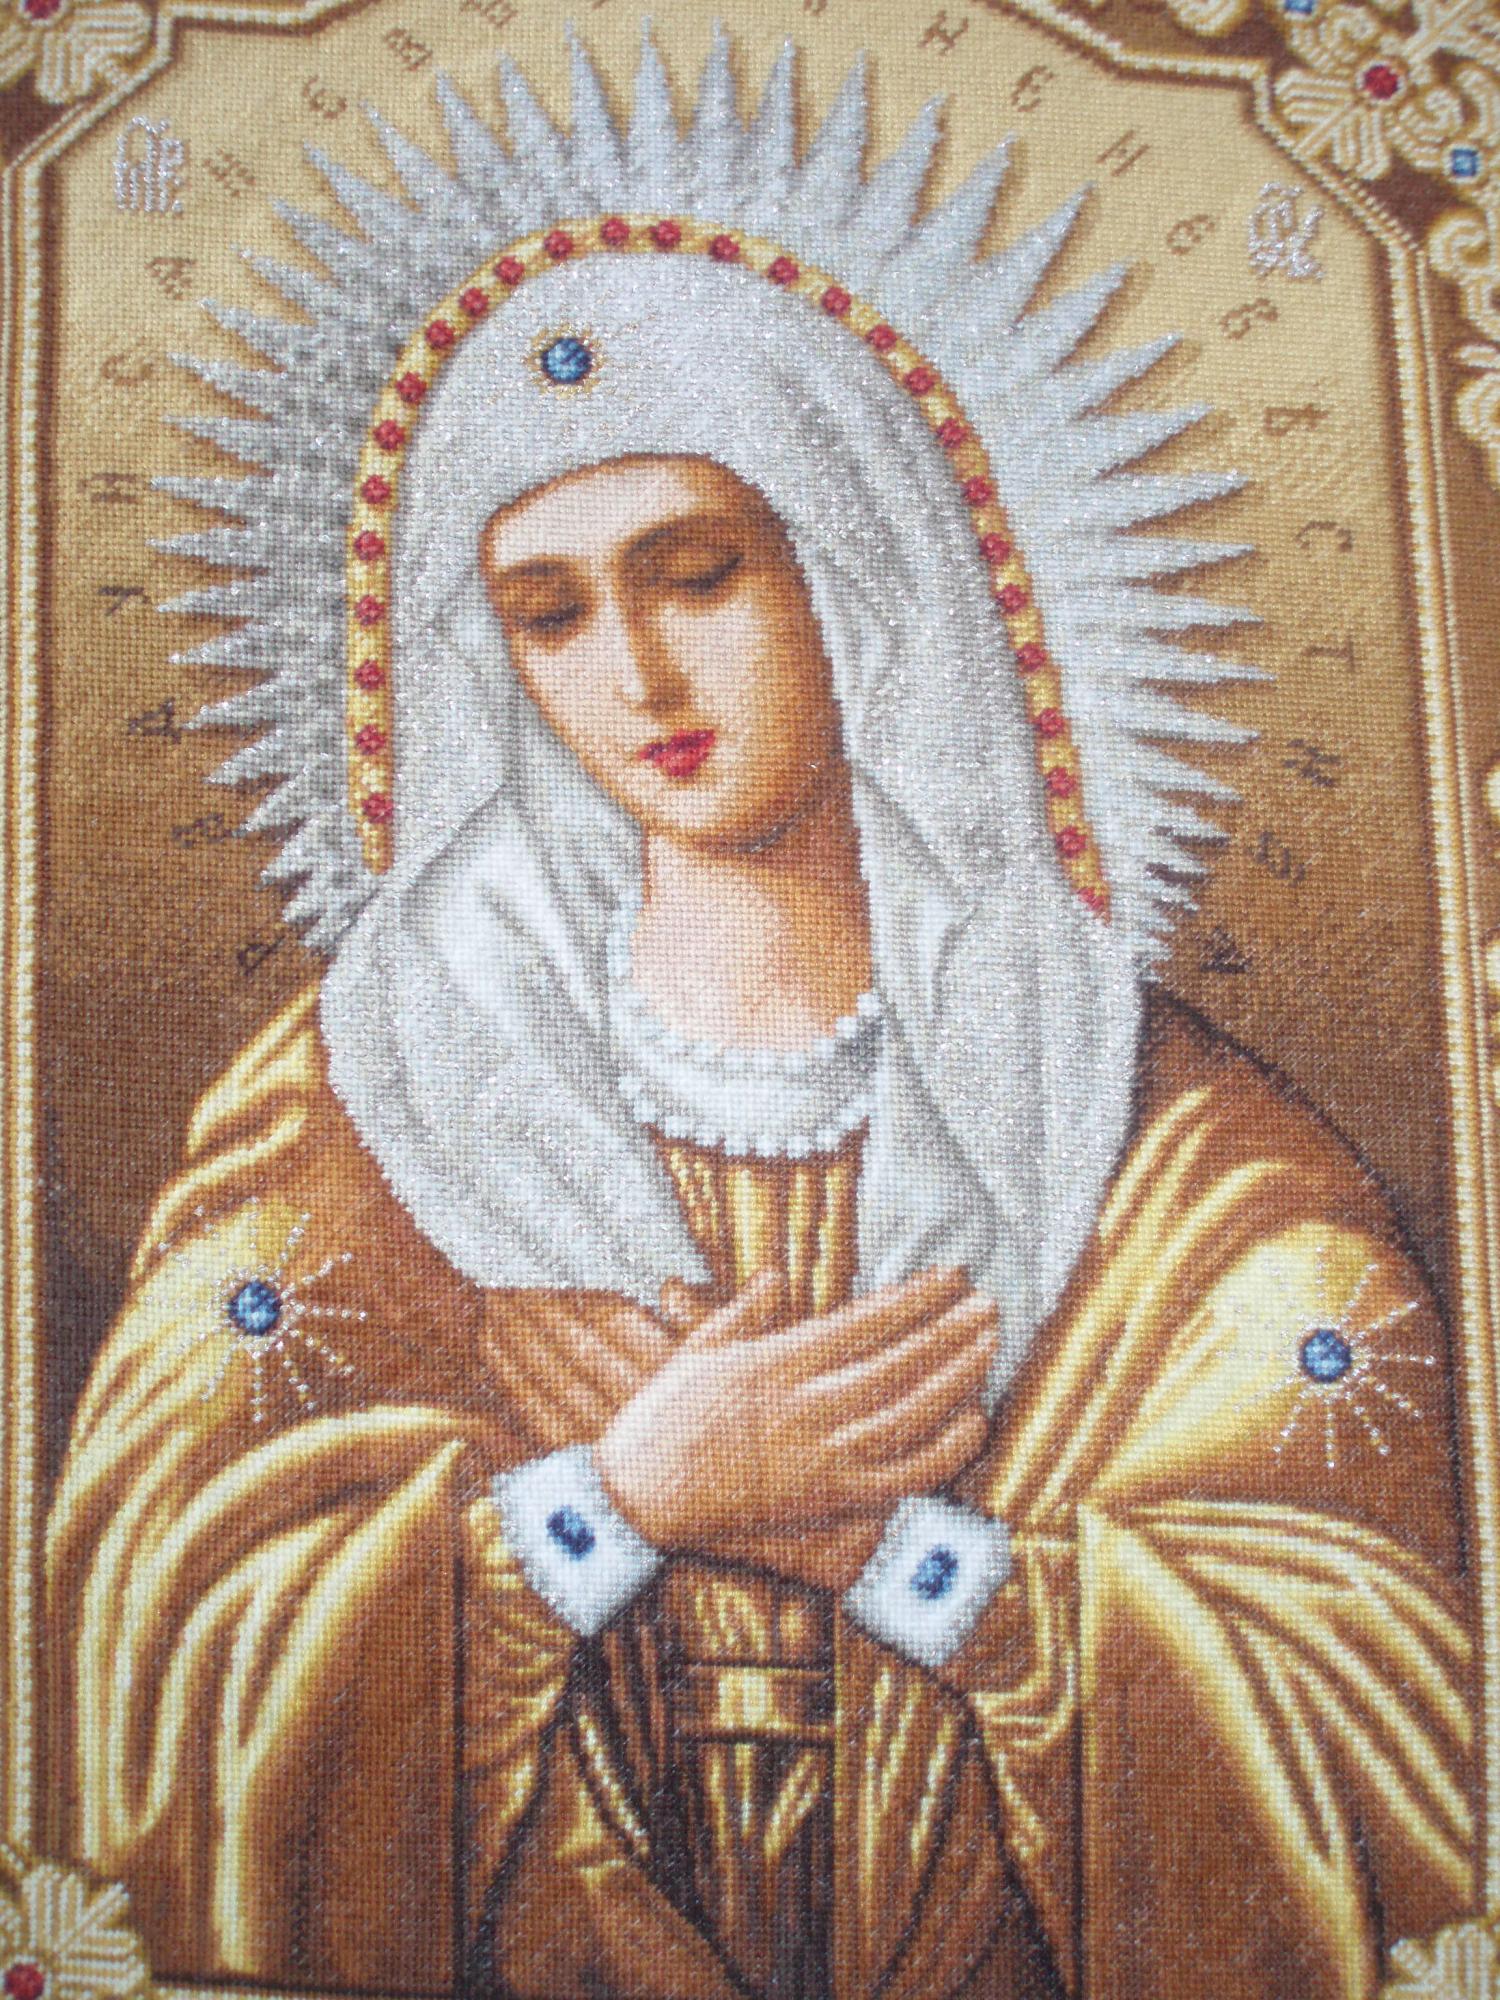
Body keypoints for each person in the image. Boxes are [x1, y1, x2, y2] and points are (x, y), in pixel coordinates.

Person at [46, 34, 1474, 1999]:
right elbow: (150, 1677)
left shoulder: (1175, 1156)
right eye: (550, 612)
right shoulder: (360, 1107)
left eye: (698, 573)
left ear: (857, 573)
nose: (636, 674)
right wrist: (621, 1501)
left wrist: (888, 1554)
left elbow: (1379, 1734)